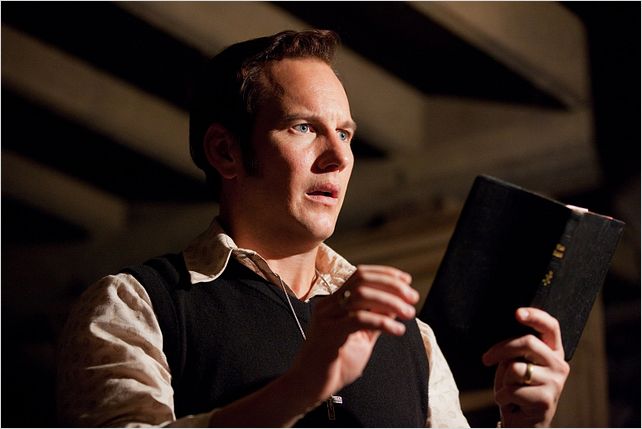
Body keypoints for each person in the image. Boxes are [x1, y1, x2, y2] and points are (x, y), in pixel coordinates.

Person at [56, 29, 570, 427]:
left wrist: (522, 424)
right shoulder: (135, 305)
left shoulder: (413, 339)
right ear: (225, 151)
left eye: (344, 133)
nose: (339, 157)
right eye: (304, 127)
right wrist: (300, 388)